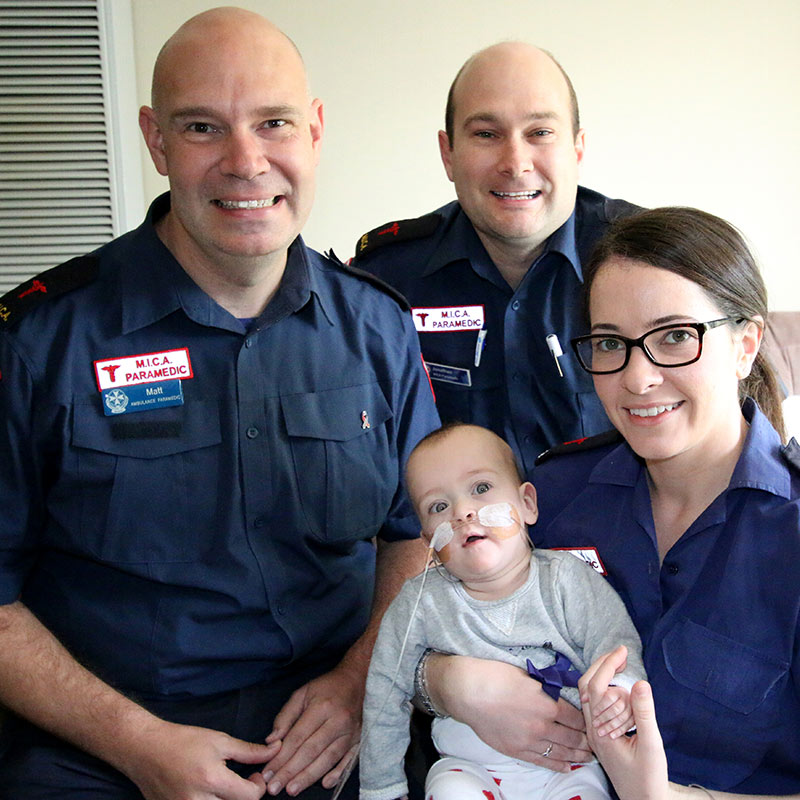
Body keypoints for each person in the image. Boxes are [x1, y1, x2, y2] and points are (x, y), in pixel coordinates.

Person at [0, 8, 439, 800]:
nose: (246, 162)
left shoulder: (377, 328)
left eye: (273, 123)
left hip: (331, 724)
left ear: (314, 130)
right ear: (155, 139)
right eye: (203, 127)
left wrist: (356, 680)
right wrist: (137, 744)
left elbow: (415, 539)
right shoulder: (41, 341)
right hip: (105, 739)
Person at [419, 208, 800, 797]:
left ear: (745, 345)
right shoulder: (552, 497)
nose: (637, 377)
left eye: (675, 337)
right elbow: (434, 621)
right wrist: (444, 681)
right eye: (609, 343)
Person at [352, 41, 640, 473]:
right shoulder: (387, 280)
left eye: (540, 133)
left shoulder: (650, 262)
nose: (515, 162)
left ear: (577, 150)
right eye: (486, 134)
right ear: (448, 154)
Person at [360, 423, 645, 800]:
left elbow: (615, 644)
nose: (462, 512)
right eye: (438, 507)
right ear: (430, 541)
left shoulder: (568, 581)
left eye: (480, 489)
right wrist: (381, 788)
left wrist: (618, 693)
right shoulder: (420, 603)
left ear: (527, 504)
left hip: (569, 769)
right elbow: (384, 690)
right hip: (467, 769)